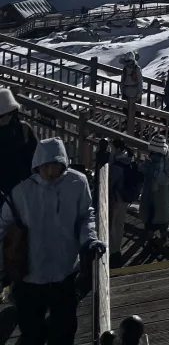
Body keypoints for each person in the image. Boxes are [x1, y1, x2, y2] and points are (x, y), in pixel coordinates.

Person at [0, 138, 104, 345]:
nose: (50, 171)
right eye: (45, 166)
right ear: (37, 164)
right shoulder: (21, 192)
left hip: (65, 271)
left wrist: (90, 240)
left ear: (63, 164)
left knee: (64, 331)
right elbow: (2, 227)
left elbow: (85, 215)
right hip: (30, 274)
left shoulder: (77, 182)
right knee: (32, 332)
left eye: (55, 166)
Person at [107, 146, 143, 266]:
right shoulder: (130, 163)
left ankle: (112, 251)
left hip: (115, 199)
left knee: (111, 224)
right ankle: (117, 249)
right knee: (119, 224)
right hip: (125, 199)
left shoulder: (116, 165)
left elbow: (110, 184)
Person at [0, 87, 38, 199]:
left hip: (22, 187)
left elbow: (36, 157)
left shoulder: (24, 130)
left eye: (1, 116)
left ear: (11, 113)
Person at [140, 138, 169, 247]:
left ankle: (163, 239)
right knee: (149, 217)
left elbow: (168, 178)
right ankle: (150, 239)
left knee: (162, 220)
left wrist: (154, 172)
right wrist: (145, 165)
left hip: (162, 195)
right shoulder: (151, 156)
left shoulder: (168, 159)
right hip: (150, 193)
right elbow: (144, 170)